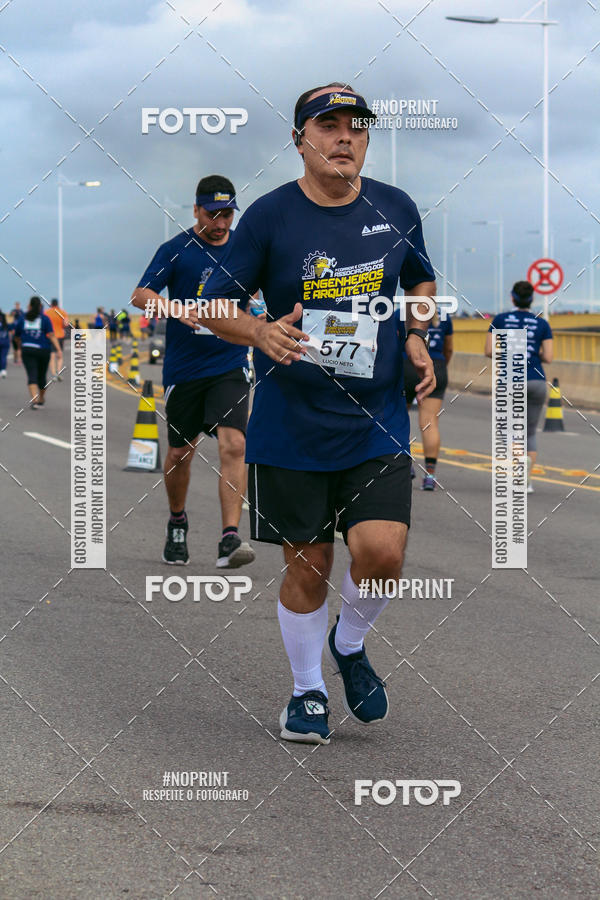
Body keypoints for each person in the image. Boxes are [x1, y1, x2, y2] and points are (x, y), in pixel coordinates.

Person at [197, 83, 436, 744]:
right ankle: (307, 692)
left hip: (375, 419)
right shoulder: (270, 217)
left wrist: (417, 332)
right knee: (309, 567)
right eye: (328, 125)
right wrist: (260, 331)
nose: (345, 137)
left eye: (356, 126)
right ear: (300, 140)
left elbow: (420, 278)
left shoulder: (396, 207)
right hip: (292, 425)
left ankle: (349, 643)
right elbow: (214, 305)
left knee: (381, 553)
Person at [131, 174, 256, 570]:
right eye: (212, 215)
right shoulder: (176, 250)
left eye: (227, 215)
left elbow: (261, 289)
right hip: (185, 368)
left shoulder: (245, 247)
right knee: (181, 454)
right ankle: (177, 521)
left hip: (229, 363)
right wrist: (174, 309)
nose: (221, 223)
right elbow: (140, 295)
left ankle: (229, 538)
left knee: (234, 445)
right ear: (196, 210)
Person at [485, 280, 553, 493]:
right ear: (532, 299)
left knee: (508, 430)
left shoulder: (501, 319)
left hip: (510, 381)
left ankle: (517, 468)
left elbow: (489, 351)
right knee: (530, 432)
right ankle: (527, 482)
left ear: (512, 298)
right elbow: (549, 357)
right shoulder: (541, 323)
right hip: (537, 381)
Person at [403, 310, 453, 490]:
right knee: (430, 423)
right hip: (437, 365)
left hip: (407, 364)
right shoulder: (444, 317)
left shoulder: (401, 313)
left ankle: (406, 465)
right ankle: (430, 476)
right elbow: (449, 349)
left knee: (399, 417)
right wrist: (438, 368)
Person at [13, 296, 61, 408]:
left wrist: (20, 345)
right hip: (43, 350)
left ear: (29, 306)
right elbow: (51, 335)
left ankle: (34, 400)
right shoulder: (45, 319)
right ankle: (41, 398)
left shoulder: (22, 318)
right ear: (40, 306)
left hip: (28, 349)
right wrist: (58, 349)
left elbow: (16, 336)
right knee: (42, 376)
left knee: (32, 375)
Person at [45, 298, 69, 382]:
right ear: (57, 304)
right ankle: (59, 372)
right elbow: (66, 324)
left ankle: (53, 373)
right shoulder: (62, 312)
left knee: (52, 355)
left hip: (50, 335)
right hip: (60, 335)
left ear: (51, 304)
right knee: (60, 354)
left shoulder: (46, 312)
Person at [0, 312, 11, 376]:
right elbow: (12, 331)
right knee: (3, 356)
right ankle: (3, 370)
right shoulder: (6, 325)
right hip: (5, 342)